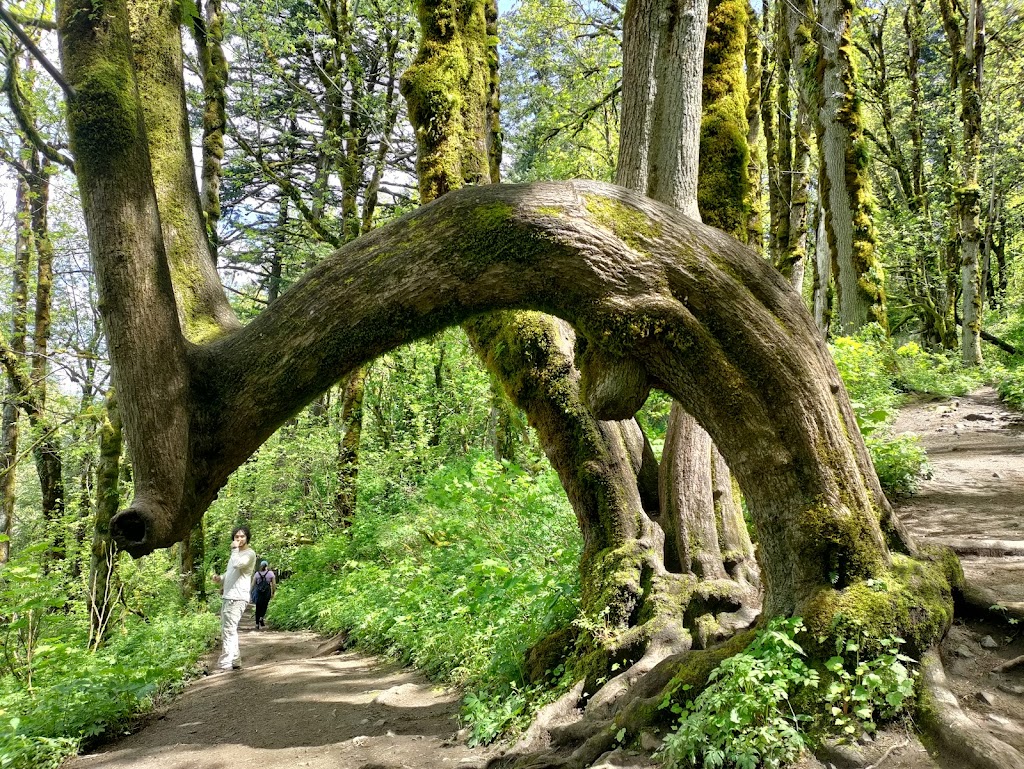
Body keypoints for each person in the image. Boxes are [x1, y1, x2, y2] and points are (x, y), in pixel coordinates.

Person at [211, 526, 256, 672]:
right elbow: (230, 572)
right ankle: (235, 660)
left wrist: (234, 550)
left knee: (229, 630)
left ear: (247, 538)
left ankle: (225, 663)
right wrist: (220, 579)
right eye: (236, 537)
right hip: (228, 595)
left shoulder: (249, 554)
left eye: (242, 536)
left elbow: (238, 565)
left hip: (237, 597)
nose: (239, 539)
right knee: (228, 629)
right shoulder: (235, 554)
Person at [251, 560, 276, 629]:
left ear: (261, 566)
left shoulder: (257, 574)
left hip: (258, 592)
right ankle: (261, 617)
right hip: (267, 591)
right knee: (264, 605)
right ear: (267, 566)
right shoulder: (270, 573)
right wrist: (273, 592)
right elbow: (273, 584)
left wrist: (250, 592)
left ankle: (256, 624)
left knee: (258, 606)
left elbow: (253, 584)